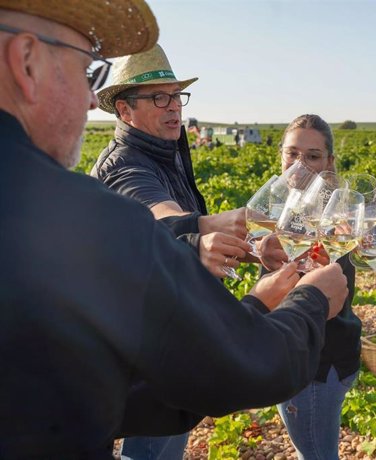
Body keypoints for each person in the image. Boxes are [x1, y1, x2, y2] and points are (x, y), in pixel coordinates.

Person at [0, 2, 349, 458]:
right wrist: (312, 298)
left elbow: (84, 387)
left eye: (174, 97)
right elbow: (236, 367)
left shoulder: (164, 157)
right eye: (87, 71)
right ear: (27, 61)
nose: (90, 98)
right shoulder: (89, 205)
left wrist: (249, 295)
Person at [91, 44, 255, 283]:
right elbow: (161, 216)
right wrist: (212, 223)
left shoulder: (166, 151)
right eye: (159, 97)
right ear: (125, 110)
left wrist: (254, 250)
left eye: (177, 95)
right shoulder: (121, 166)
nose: (174, 105)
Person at [260, 114, 362, 460]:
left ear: (329, 162)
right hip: (291, 352)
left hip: (316, 364)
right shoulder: (279, 209)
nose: (299, 164)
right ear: (280, 156)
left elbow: (325, 295)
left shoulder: (334, 220)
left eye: (313, 156)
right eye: (292, 154)